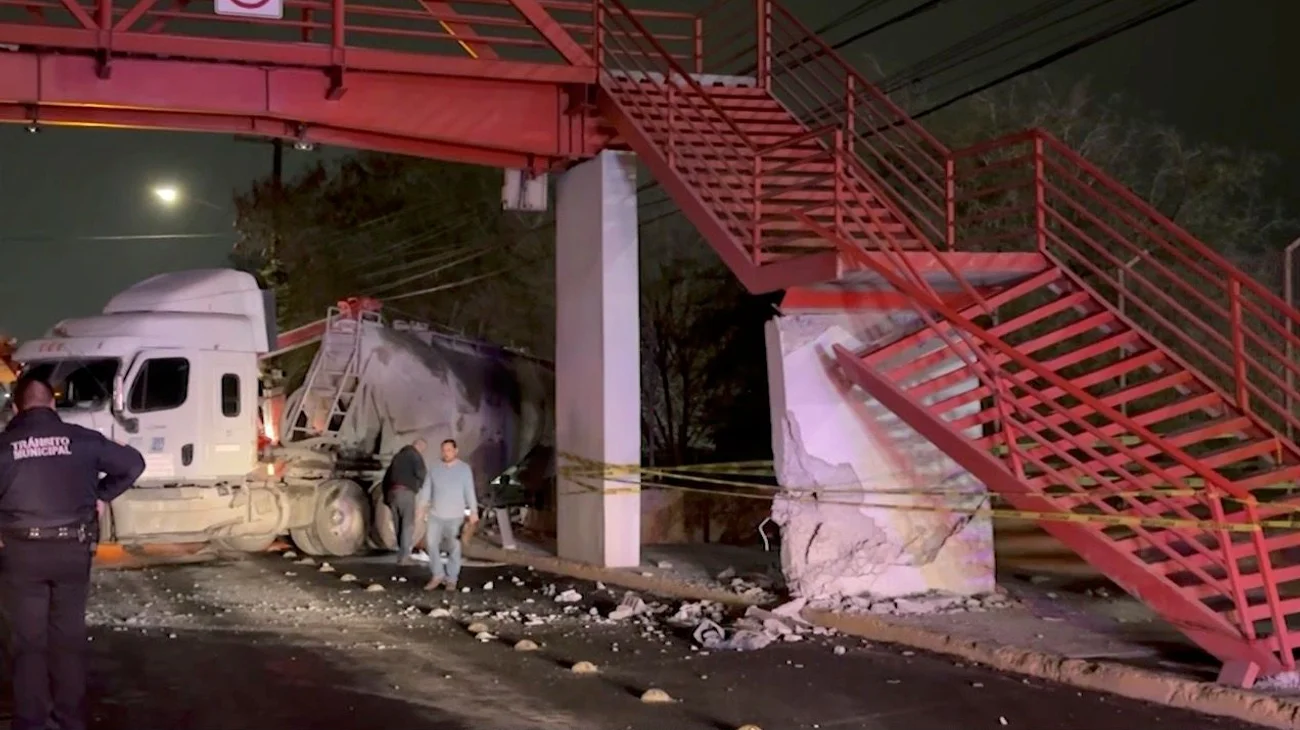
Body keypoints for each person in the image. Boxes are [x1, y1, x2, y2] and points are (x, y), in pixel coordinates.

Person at [0, 374, 145, 730]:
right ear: (52, 404)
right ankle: (70, 720)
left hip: (21, 554)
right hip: (72, 550)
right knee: (68, 638)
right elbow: (134, 464)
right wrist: (101, 494)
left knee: (28, 642)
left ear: (16, 408)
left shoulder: (3, 446)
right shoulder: (83, 439)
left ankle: (32, 722)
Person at [417, 438, 478, 592]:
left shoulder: (464, 469)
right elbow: (427, 489)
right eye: (444, 450)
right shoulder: (434, 468)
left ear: (456, 451)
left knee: (454, 547)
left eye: (449, 450)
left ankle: (451, 579)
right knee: (431, 544)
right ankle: (437, 574)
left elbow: (469, 491)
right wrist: (421, 507)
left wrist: (473, 511)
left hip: (455, 516)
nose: (446, 453)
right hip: (435, 514)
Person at [382, 437, 427, 566]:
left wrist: (387, 497)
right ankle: (405, 557)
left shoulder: (397, 457)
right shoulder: (415, 455)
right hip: (406, 493)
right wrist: (420, 487)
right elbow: (421, 473)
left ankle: (401, 555)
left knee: (398, 525)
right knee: (407, 525)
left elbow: (386, 478)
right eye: (423, 449)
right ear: (419, 446)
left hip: (392, 494)